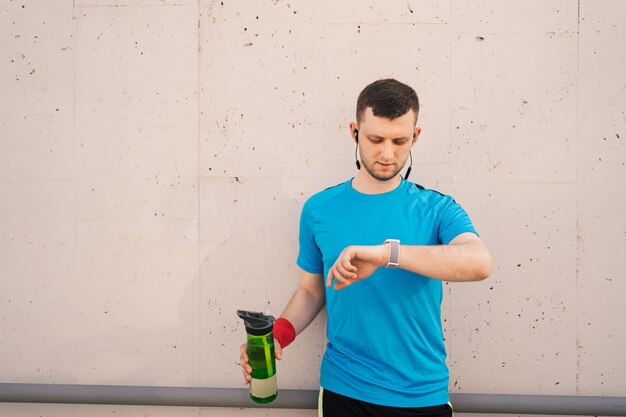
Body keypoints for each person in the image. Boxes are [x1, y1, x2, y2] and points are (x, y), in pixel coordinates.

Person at [240, 78, 493, 417]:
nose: (387, 153)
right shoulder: (319, 209)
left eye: (399, 140)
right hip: (345, 391)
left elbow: (479, 263)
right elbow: (312, 290)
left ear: (415, 137)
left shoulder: (437, 208)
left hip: (422, 394)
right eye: (375, 139)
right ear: (354, 132)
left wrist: (386, 254)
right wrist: (278, 336)